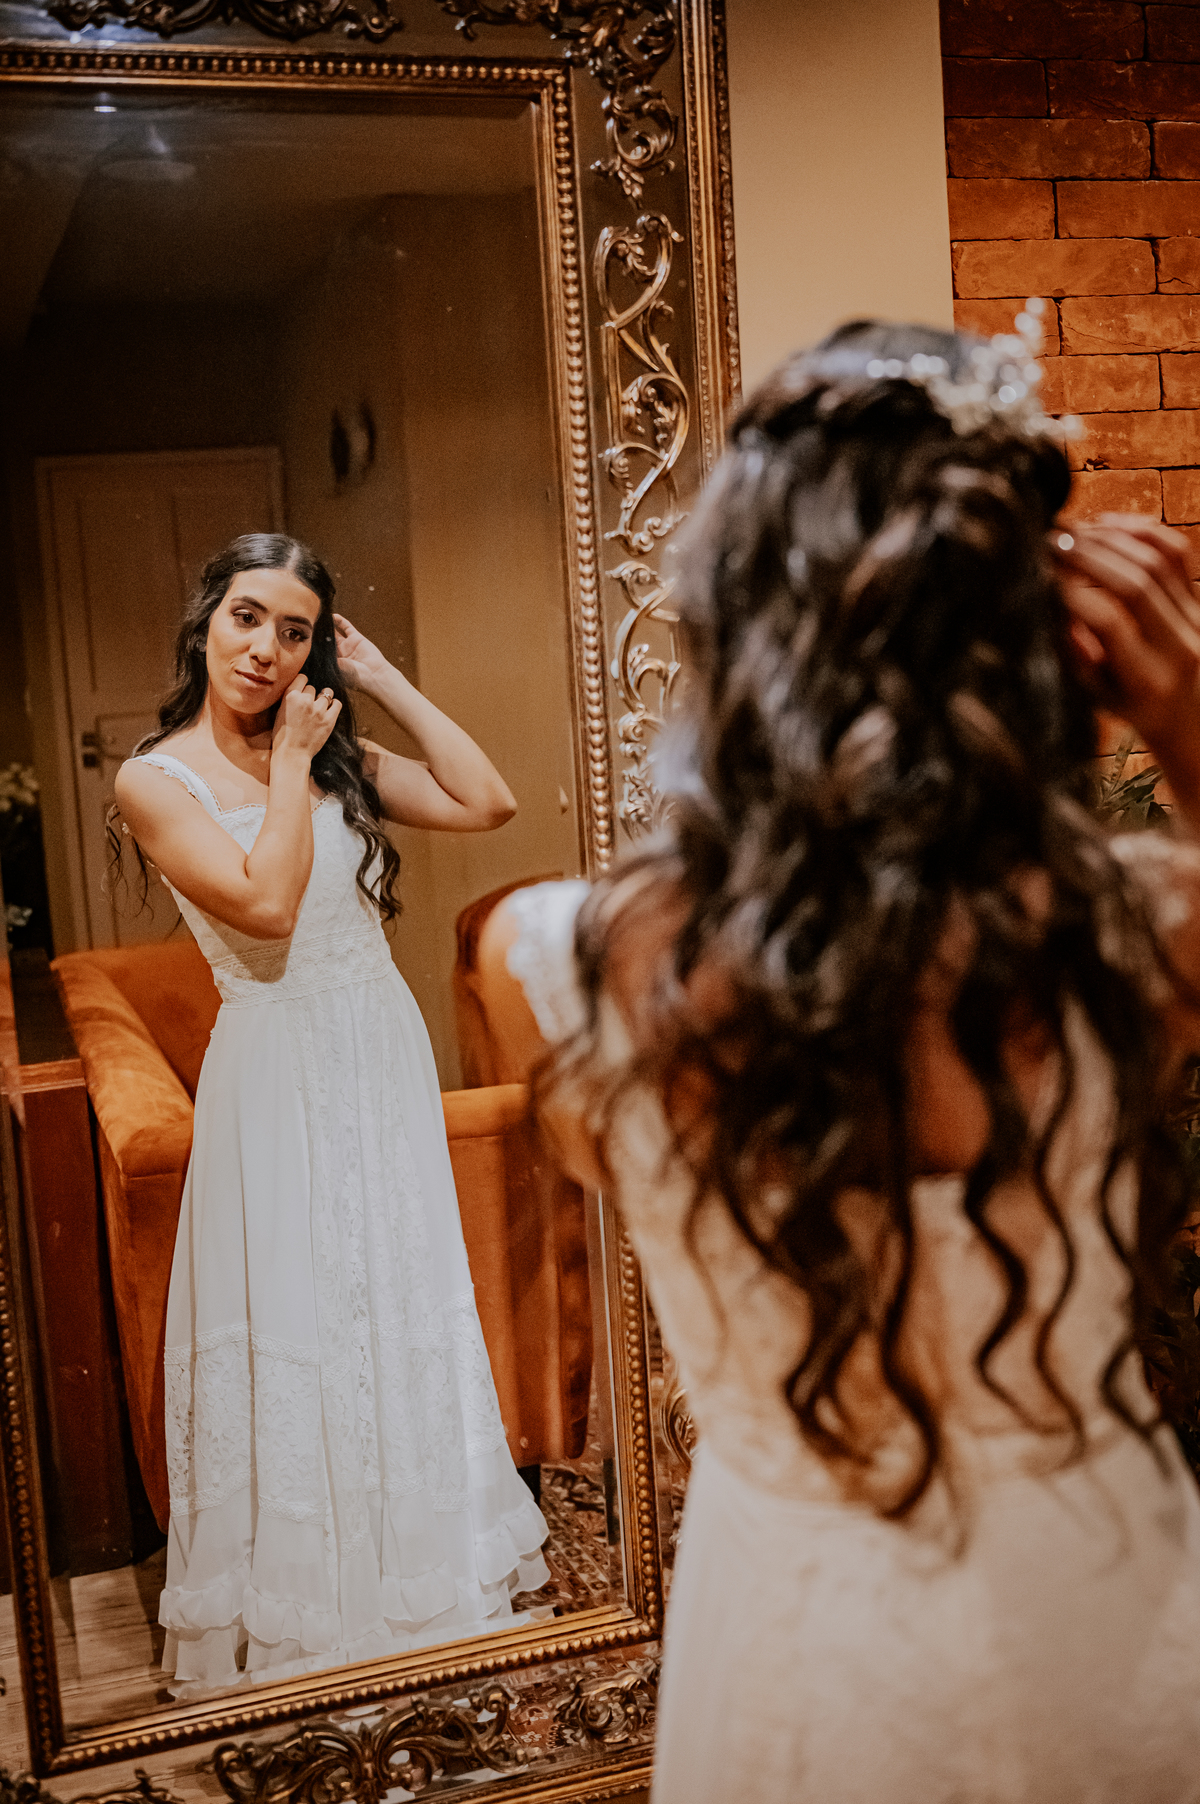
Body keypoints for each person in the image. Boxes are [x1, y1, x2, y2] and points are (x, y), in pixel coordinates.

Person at [479, 321, 1200, 1801]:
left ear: (735, 617)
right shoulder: (1138, 933)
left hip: (795, 1641)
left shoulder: (551, 959)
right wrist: (1190, 713)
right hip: (1105, 1611)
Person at [113, 533, 549, 1697]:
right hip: (274, 1068)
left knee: (393, 1301)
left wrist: (383, 680)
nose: (267, 648)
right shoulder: (156, 779)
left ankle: (420, 1575)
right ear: (208, 620)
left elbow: (489, 799)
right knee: (301, 1318)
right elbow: (265, 906)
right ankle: (312, 1608)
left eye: (295, 631)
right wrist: (295, 764)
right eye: (248, 617)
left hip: (376, 1053)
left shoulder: (332, 748)